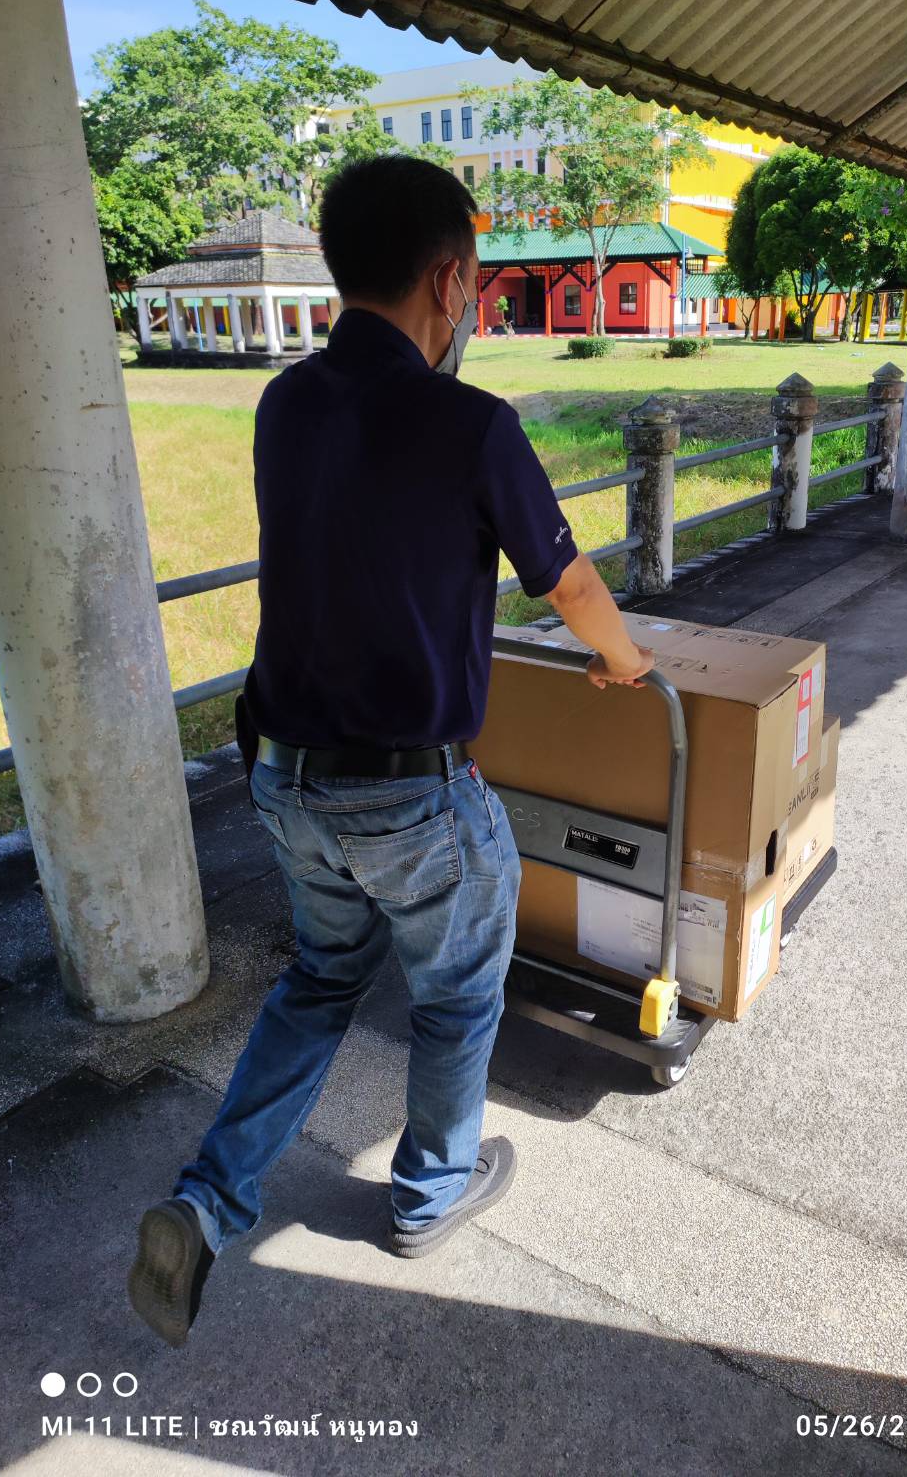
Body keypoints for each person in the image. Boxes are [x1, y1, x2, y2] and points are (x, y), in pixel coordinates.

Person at [128, 156, 654, 1348]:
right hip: (412, 798)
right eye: (476, 283)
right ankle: (429, 1193)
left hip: (286, 780)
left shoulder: (285, 405)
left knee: (321, 982)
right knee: (459, 991)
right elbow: (570, 584)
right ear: (449, 279)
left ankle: (206, 1202)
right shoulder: (471, 424)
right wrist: (626, 664)